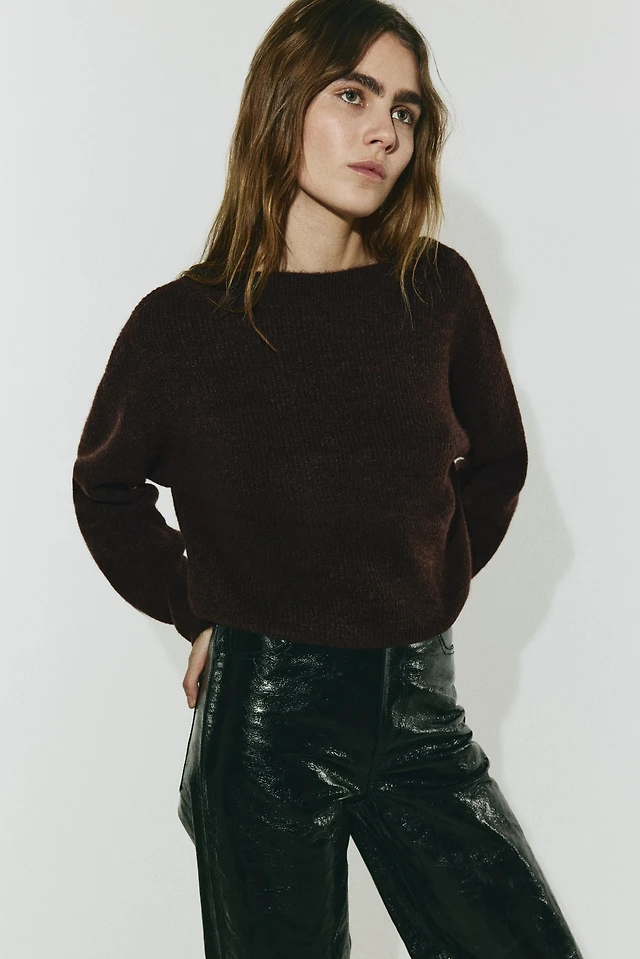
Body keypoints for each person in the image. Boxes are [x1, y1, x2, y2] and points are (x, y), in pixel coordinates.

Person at [71, 1, 585, 956]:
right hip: (266, 724)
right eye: (353, 94)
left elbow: (498, 463)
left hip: (421, 710)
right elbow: (104, 488)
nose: (385, 130)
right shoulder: (181, 326)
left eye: (406, 109)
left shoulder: (437, 292)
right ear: (284, 104)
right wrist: (198, 607)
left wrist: (426, 581)